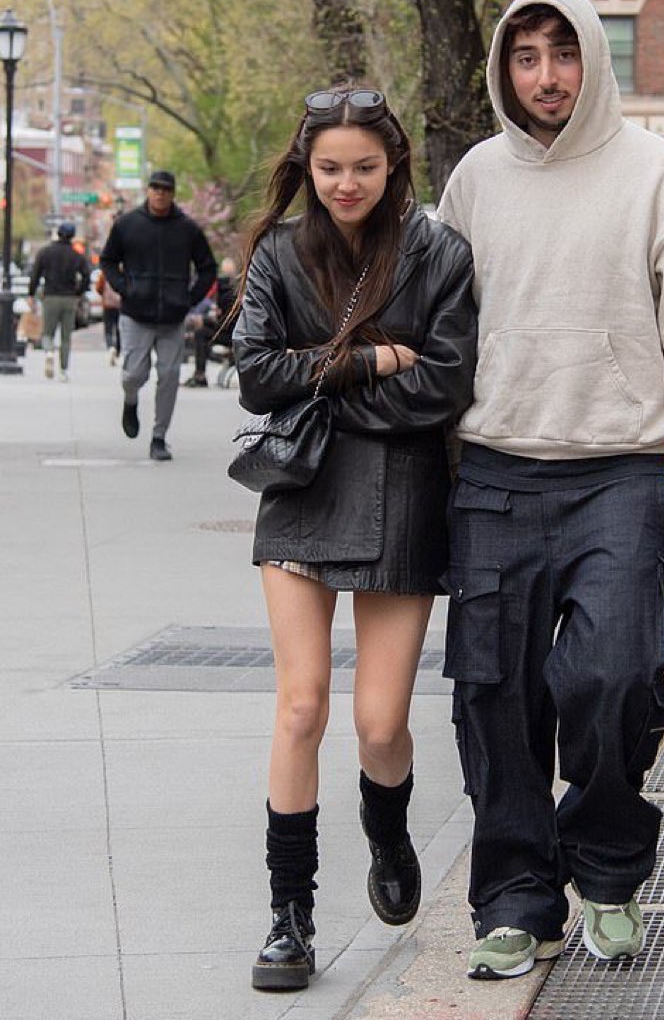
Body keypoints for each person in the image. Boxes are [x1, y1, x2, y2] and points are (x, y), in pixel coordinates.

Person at [437, 0, 664, 980]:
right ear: (504, 67)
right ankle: (515, 901)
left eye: (562, 53)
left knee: (613, 676)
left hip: (617, 469)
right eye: (525, 56)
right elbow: (439, 325)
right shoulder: (475, 178)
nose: (545, 76)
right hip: (493, 471)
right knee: (494, 695)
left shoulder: (655, 172)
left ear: (593, 58)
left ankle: (607, 874)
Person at [231, 86, 477, 993]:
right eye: (329, 168)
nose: (345, 184)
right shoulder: (278, 252)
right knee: (300, 708)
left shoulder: (439, 253)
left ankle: (387, 826)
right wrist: (367, 360)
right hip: (300, 491)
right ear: (307, 166)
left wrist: (322, 390)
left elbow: (443, 386)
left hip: (403, 495)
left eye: (363, 167)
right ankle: (288, 916)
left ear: (393, 164)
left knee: (380, 724)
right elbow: (255, 377)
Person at [99, 170, 217, 460]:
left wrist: (189, 299)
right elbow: (108, 260)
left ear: (173, 194)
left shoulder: (187, 229)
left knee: (169, 376)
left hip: (172, 317)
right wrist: (125, 288)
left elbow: (208, 268)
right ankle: (130, 401)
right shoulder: (127, 224)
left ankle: (159, 437)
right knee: (133, 374)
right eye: (155, 188)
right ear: (148, 191)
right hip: (135, 313)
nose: (160, 193)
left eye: (165, 189)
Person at [28, 221, 92, 382]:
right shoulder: (76, 255)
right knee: (66, 336)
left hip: (50, 297)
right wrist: (79, 292)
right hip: (69, 298)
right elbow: (87, 275)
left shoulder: (45, 252)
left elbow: (35, 274)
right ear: (72, 236)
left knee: (47, 332)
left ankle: (49, 352)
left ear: (58, 234)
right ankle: (63, 370)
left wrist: (31, 294)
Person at [182, 256, 239, 387]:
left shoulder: (226, 290)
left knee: (201, 333)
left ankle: (200, 374)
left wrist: (205, 320)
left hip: (232, 334)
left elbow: (226, 321)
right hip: (232, 332)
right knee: (201, 332)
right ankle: (203, 370)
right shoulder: (236, 287)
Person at [96, 270, 122, 366]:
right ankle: (117, 350)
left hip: (107, 305)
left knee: (108, 329)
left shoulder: (105, 273)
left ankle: (110, 347)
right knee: (119, 329)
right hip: (120, 305)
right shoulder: (123, 271)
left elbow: (99, 288)